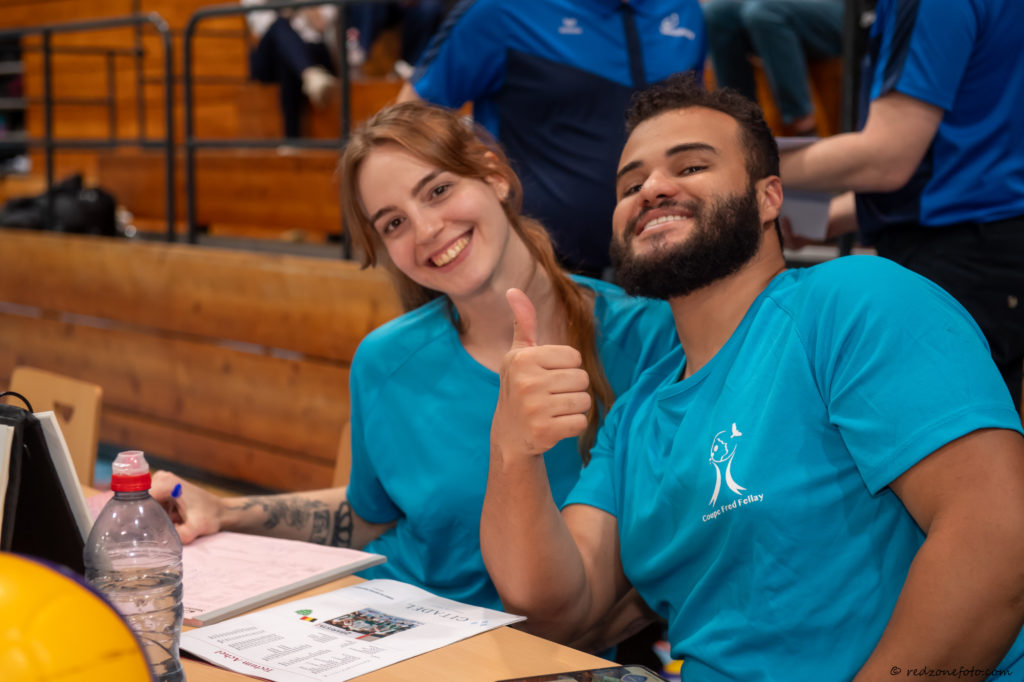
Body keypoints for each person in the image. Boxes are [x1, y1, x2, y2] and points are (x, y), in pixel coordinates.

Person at [481, 75, 1024, 680]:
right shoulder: (636, 414)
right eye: (631, 185)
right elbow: (557, 611)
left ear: (769, 198)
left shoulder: (853, 300)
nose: (652, 189)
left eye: (690, 167)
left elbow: (999, 542)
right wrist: (512, 448)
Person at [151, 101, 678, 624]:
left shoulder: (648, 335)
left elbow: (674, 546)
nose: (425, 229)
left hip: (527, 647)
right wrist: (225, 511)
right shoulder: (384, 359)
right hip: (391, 624)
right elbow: (369, 516)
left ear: (493, 176)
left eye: (438, 190)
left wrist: (583, 636)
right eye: (394, 223)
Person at [778, 0, 1024, 412]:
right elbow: (968, 155)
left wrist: (749, 162)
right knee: (986, 428)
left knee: (938, 435)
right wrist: (831, 219)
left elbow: (888, 158)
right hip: (994, 253)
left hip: (954, 262)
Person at [397, 0, 706, 277]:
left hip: (663, 249)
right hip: (544, 264)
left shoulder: (684, 8)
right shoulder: (501, 11)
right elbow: (409, 122)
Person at [701, 0, 844, 136]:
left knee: (764, 12)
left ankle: (805, 128)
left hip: (844, 11)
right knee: (717, 13)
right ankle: (741, 125)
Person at [243, 0, 339, 138]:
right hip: (269, 59)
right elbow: (263, 29)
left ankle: (291, 139)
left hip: (308, 54)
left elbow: (320, 24)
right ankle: (310, 75)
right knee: (280, 28)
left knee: (288, 58)